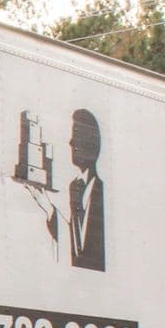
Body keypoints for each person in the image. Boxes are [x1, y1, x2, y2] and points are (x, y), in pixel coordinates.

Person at [67, 109, 106, 272]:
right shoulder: (74, 187)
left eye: (76, 134)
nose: (71, 142)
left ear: (91, 143)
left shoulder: (100, 188)